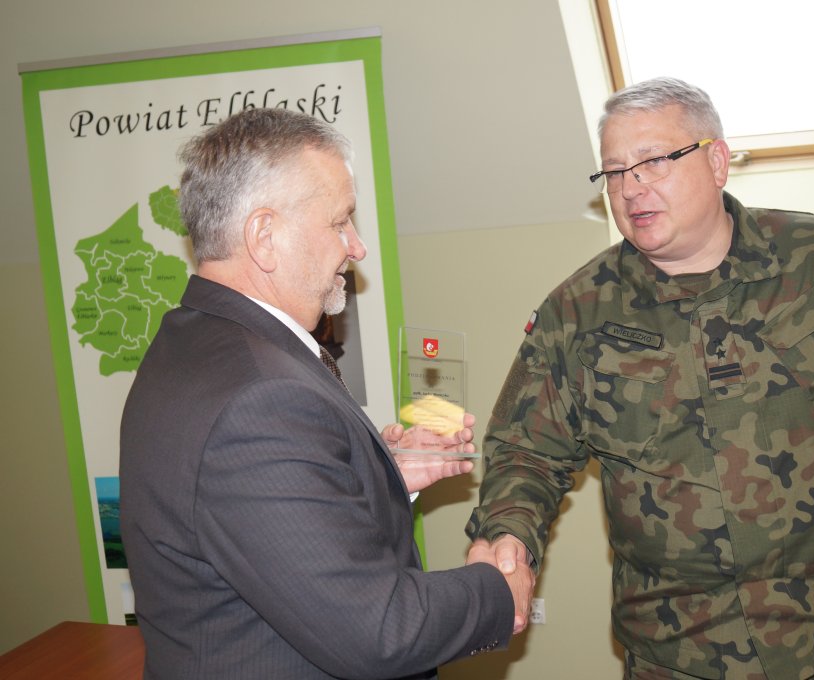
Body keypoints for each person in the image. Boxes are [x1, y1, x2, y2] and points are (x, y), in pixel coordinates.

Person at [466, 77, 814, 679]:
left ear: (717, 162)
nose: (630, 188)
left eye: (653, 161)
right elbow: (525, 452)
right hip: (676, 654)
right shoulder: (576, 314)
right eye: (614, 172)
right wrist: (508, 536)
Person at [120, 107, 532, 680]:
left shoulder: (192, 341)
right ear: (264, 237)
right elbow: (378, 632)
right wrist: (498, 592)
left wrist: (380, 474)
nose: (356, 247)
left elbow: (266, 527)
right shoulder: (258, 399)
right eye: (340, 222)